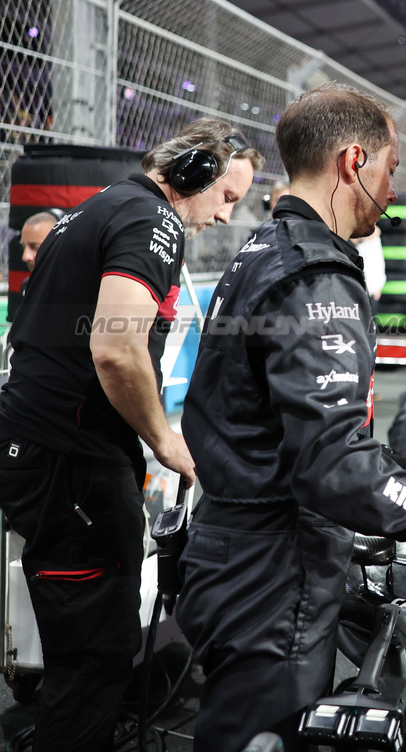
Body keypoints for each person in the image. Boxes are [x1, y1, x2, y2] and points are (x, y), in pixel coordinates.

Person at [176, 84, 406, 751]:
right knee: (264, 738)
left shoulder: (258, 252)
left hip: (230, 549)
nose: (392, 192)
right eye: (391, 169)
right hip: (270, 574)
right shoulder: (317, 276)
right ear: (353, 159)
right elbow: (333, 463)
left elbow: (262, 421)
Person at [0, 118, 259, 751]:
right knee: (97, 649)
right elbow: (116, 348)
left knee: (81, 638)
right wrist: (166, 441)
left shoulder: (106, 207)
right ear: (195, 174)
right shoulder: (152, 220)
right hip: (71, 461)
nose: (227, 218)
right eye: (227, 197)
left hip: (45, 449)